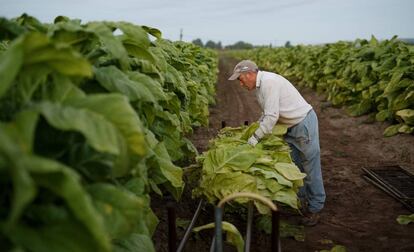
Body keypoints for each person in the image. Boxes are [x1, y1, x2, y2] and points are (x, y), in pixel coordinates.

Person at [228, 60, 326, 226]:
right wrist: (255, 128)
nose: (240, 83)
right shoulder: (260, 87)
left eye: (240, 79)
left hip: (302, 124)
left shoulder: (269, 83)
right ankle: (300, 202)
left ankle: (315, 208)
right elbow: (266, 114)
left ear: (250, 74)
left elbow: (272, 116)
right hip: (289, 127)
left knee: (310, 167)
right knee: (295, 167)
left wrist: (255, 138)